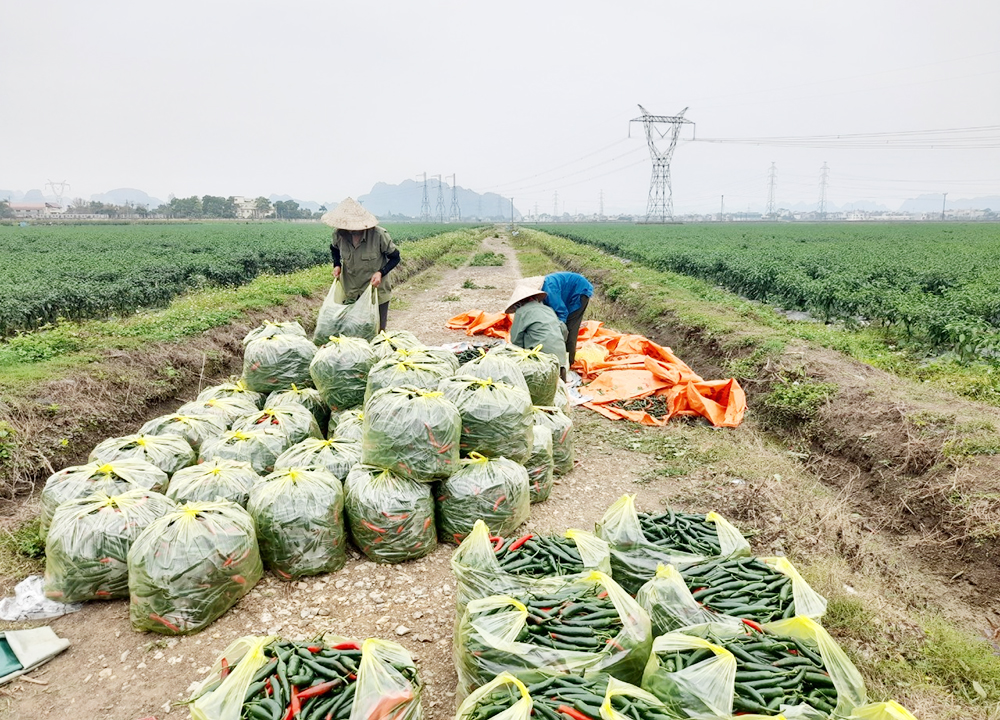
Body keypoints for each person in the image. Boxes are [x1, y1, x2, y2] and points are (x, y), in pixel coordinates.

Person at [322, 197, 400, 331]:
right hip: (351, 290)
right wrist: (337, 265)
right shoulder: (339, 234)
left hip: (376, 291)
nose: (352, 230)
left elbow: (395, 257)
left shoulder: (379, 235)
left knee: (376, 331)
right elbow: (334, 249)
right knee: (352, 330)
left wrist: (380, 272)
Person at [522, 272, 593, 367]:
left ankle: (568, 362)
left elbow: (562, 312)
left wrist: (560, 331)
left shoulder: (549, 290)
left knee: (570, 328)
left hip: (579, 291)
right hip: (567, 294)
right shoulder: (539, 294)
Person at [505, 283, 569, 380]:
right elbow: (564, 330)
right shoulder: (548, 309)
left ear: (520, 302)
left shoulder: (521, 312)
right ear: (534, 298)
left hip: (541, 361)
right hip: (560, 358)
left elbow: (516, 339)